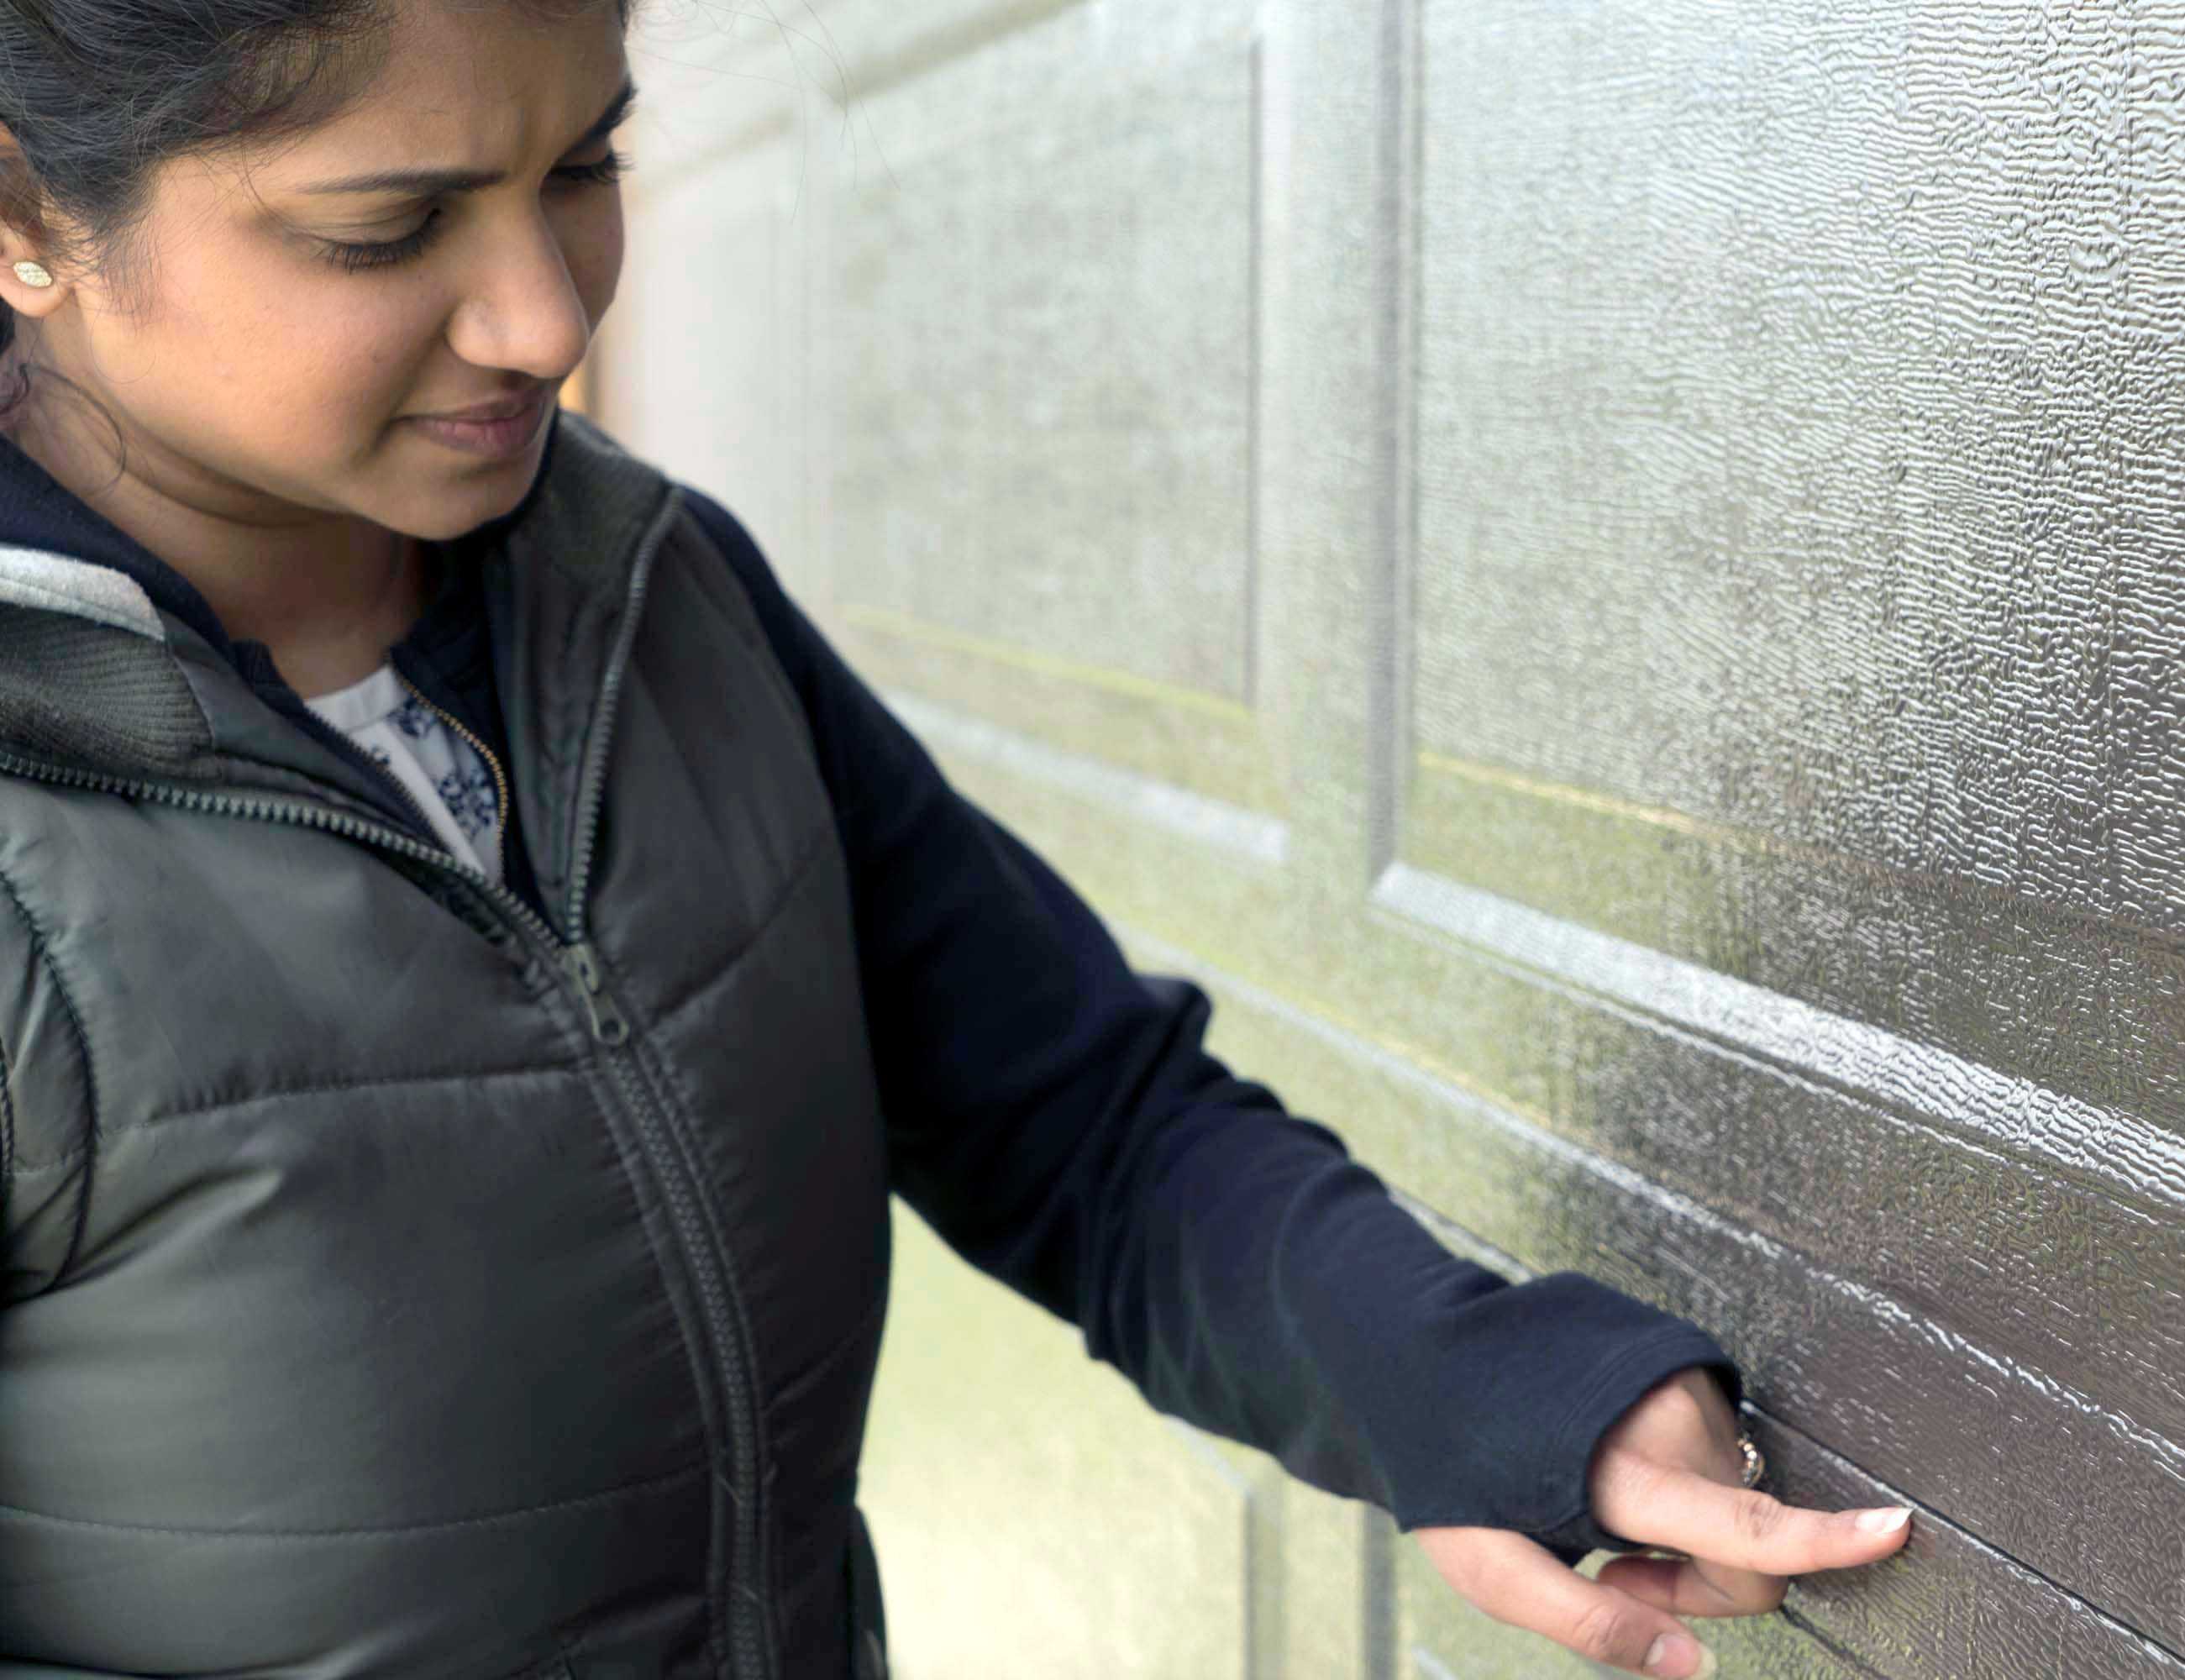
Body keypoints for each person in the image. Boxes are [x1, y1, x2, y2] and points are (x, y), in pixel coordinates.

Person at [0, 1, 1912, 1675]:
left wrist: (1475, 1382)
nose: (547, 315)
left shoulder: (648, 591)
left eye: (584, 164)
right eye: (388, 226)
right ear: (25, 218)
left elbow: (1076, 1120)